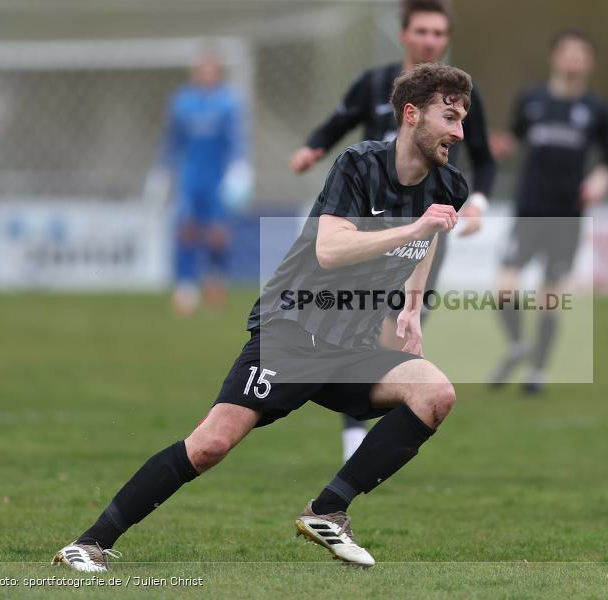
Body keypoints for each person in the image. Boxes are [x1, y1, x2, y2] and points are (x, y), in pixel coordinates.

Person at [52, 63, 472, 571]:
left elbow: (428, 235)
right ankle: (90, 542)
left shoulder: (449, 184)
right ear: (411, 114)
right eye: (449, 116)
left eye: (463, 117)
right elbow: (333, 248)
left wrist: (411, 309)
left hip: (352, 345)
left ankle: (328, 511)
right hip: (292, 332)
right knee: (210, 445)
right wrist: (414, 230)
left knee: (435, 393)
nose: (459, 130)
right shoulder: (359, 166)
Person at [290, 0, 495, 462]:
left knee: (394, 332)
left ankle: (361, 433)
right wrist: (312, 148)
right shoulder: (374, 84)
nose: (430, 41)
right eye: (422, 31)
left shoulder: (463, 98)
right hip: (367, 230)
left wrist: (478, 202)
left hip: (424, 233)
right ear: (404, 35)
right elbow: (339, 121)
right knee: (363, 328)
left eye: (438, 33)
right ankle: (352, 438)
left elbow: (484, 155)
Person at [489, 29, 608, 393]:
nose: (574, 59)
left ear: (589, 62)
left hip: (567, 215)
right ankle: (518, 346)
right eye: (568, 53)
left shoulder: (597, 109)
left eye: (581, 54)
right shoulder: (531, 99)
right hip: (529, 210)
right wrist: (499, 146)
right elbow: (513, 138)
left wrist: (598, 182)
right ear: (555, 58)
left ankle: (537, 372)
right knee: (504, 289)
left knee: (550, 296)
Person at [147, 49, 252, 316]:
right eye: (201, 69)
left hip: (217, 175)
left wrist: (240, 167)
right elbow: (172, 141)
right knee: (187, 228)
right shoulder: (182, 102)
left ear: (217, 73)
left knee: (218, 232)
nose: (205, 74)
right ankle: (186, 286)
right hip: (190, 176)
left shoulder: (228, 102)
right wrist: (162, 172)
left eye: (210, 69)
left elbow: (236, 140)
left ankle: (215, 279)